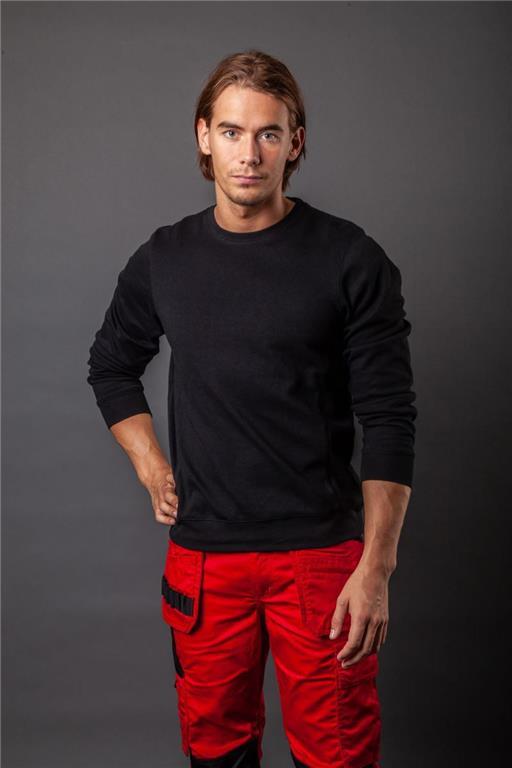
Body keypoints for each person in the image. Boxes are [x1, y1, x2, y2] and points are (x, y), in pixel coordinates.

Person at [86, 49, 417, 768]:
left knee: (338, 755)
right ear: (203, 136)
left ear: (295, 143)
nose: (249, 153)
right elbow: (111, 365)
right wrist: (151, 465)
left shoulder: (350, 259)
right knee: (217, 753)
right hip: (206, 561)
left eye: (269, 133)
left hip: (322, 561)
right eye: (232, 132)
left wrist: (377, 567)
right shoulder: (164, 259)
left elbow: (389, 416)